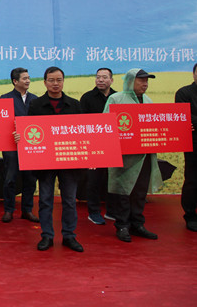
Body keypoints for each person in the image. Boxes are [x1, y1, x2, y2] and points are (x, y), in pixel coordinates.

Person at [26, 66, 84, 252]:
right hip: (45, 162)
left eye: (59, 80)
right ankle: (47, 235)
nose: (55, 84)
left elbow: (83, 133)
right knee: (45, 200)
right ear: (45, 83)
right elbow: (30, 131)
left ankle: (69, 235)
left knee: (69, 200)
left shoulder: (75, 105)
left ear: (63, 81)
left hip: (69, 160)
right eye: (51, 80)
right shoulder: (35, 105)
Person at [105, 69, 163, 242]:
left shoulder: (148, 100)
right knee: (123, 191)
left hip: (144, 156)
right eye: (141, 80)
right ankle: (122, 225)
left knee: (139, 191)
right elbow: (106, 126)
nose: (145, 84)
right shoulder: (116, 99)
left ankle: (137, 224)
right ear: (130, 81)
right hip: (124, 156)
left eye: (147, 81)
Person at [0, 67, 39, 224]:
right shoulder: (5, 99)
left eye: (28, 78)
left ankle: (27, 210)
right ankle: (9, 210)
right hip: (11, 145)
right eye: (24, 78)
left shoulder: (35, 99)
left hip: (30, 146)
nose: (28, 81)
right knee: (10, 179)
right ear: (15, 81)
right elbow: (2, 123)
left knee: (30, 179)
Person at [80, 68, 117, 225]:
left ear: (111, 80)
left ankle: (112, 210)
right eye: (98, 77)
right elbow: (81, 123)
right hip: (93, 145)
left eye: (104, 77)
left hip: (113, 146)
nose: (100, 80)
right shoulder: (87, 98)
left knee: (113, 179)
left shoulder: (118, 97)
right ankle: (94, 212)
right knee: (93, 180)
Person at [176, 63, 197, 232]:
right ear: (194, 74)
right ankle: (190, 215)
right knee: (192, 179)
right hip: (193, 143)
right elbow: (185, 116)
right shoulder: (184, 93)